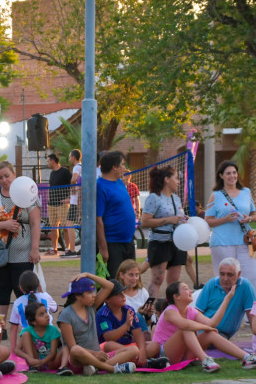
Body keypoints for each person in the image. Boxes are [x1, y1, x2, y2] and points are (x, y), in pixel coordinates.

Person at [152, 281, 256, 373]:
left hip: (184, 354)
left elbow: (212, 324)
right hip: (165, 356)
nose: (191, 291)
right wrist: (206, 327)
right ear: (176, 296)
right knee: (186, 328)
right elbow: (185, 324)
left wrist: (227, 299)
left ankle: (248, 358)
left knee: (210, 334)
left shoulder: (190, 311)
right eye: (186, 288)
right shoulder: (170, 311)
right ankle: (206, 360)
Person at [0, 161, 41, 323]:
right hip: (0, 253)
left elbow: (36, 223)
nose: (4, 180)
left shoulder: (27, 194)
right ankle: (0, 327)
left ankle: (29, 326)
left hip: (23, 252)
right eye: (0, 177)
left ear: (14, 175)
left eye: (7, 176)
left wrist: (35, 249)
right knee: (1, 289)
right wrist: (4, 224)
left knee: (23, 289)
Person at [57, 273, 138, 375]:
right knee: (75, 349)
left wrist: (87, 275)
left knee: (134, 350)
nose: (94, 295)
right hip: (79, 359)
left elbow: (109, 286)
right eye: (90, 293)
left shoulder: (90, 308)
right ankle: (112, 369)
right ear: (78, 296)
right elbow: (72, 347)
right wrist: (95, 354)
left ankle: (95, 368)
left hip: (99, 356)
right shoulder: (66, 315)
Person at [204, 160, 256, 297]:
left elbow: (254, 215)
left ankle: (253, 311)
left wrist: (249, 218)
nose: (232, 176)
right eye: (228, 173)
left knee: (253, 276)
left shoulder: (246, 192)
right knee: (226, 280)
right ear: (221, 176)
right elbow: (208, 221)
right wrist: (225, 219)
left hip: (245, 242)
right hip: (222, 243)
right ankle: (224, 311)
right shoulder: (215, 195)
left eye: (234, 173)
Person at [141, 165, 187, 297]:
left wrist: (183, 220)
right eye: (176, 178)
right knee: (157, 280)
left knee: (174, 282)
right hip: (160, 243)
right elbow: (145, 222)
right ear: (167, 179)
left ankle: (170, 311)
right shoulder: (154, 198)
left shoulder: (176, 199)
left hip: (177, 243)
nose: (178, 182)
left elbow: (176, 218)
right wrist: (169, 220)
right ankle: (150, 312)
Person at [96, 279, 162, 369]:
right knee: (109, 344)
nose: (123, 296)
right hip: (111, 350)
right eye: (118, 294)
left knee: (154, 346)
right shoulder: (103, 314)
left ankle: (130, 359)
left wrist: (142, 350)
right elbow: (109, 337)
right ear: (107, 299)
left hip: (129, 346)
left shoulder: (128, 309)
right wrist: (126, 325)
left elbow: (138, 333)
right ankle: (144, 361)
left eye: (123, 293)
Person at [96, 151, 136, 279]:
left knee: (130, 280)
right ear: (114, 167)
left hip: (128, 241)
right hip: (112, 243)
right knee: (114, 283)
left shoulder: (119, 182)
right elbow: (98, 220)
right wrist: (103, 248)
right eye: (122, 164)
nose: (124, 168)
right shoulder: (100, 186)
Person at [194, 257, 256, 339]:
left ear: (238, 274)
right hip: (204, 330)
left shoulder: (245, 286)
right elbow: (197, 312)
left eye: (230, 275)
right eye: (222, 274)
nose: (225, 278)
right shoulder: (212, 284)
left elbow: (252, 316)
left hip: (222, 334)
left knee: (215, 336)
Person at [14, 301, 72, 375]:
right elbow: (17, 350)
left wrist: (42, 362)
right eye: (42, 314)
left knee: (65, 346)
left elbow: (53, 353)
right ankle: (33, 366)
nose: (47, 315)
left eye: (46, 312)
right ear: (34, 322)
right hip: (35, 359)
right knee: (25, 335)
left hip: (51, 363)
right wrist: (29, 358)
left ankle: (63, 367)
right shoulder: (27, 330)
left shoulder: (53, 330)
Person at [8, 271, 57, 352]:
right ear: (38, 285)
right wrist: (42, 291)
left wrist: (13, 350)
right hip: (49, 338)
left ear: (21, 288)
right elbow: (55, 309)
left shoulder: (17, 303)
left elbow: (13, 328)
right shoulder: (45, 297)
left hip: (28, 342)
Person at [46, 153, 72, 256]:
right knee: (53, 227)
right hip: (51, 204)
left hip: (62, 204)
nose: (47, 163)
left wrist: (69, 198)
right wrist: (48, 197)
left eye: (48, 161)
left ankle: (67, 248)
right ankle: (54, 248)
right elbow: (50, 185)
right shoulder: (52, 173)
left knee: (65, 227)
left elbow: (73, 185)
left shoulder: (65, 172)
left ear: (53, 161)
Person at [63, 149, 82, 257]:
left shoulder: (77, 167)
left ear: (73, 157)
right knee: (82, 224)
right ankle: (80, 249)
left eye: (70, 157)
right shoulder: (83, 166)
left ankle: (72, 250)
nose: (69, 159)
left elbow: (74, 179)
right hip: (80, 200)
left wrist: (73, 190)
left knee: (69, 224)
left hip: (76, 202)